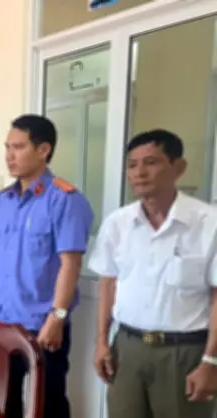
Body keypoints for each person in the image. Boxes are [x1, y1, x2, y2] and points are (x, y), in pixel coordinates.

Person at [0, 114, 94, 418]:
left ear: (43, 150)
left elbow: (70, 263)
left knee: (48, 403)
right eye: (7, 147)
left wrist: (57, 317)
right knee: (1, 401)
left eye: (18, 147)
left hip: (40, 324)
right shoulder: (3, 201)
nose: (9, 156)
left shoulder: (65, 199)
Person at [89, 130, 217, 418]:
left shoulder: (208, 224)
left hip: (184, 353)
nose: (139, 173)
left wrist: (211, 361)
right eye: (132, 165)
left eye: (151, 162)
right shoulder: (118, 224)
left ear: (178, 167)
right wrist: (101, 342)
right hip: (127, 349)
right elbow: (108, 284)